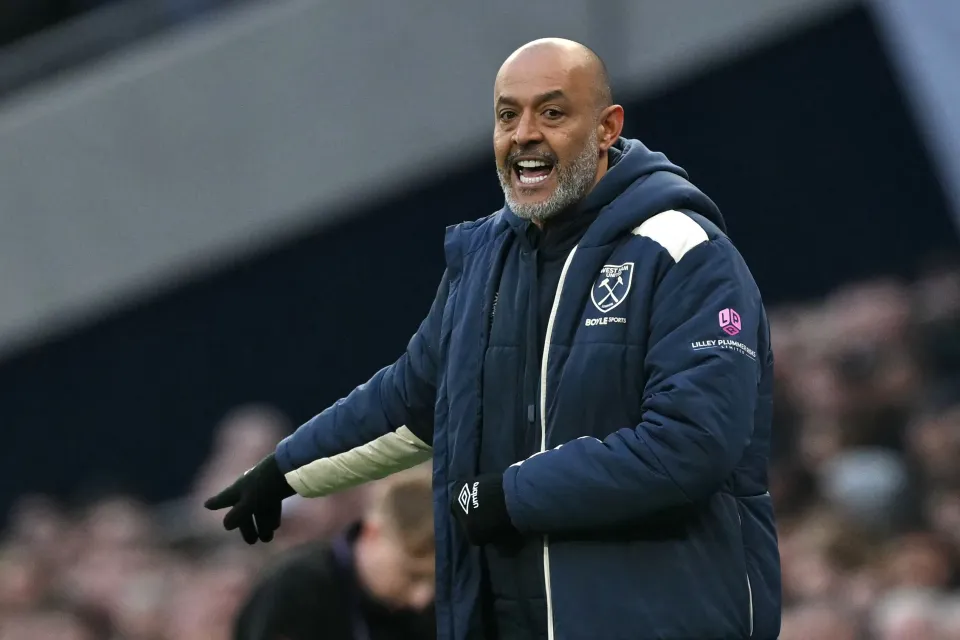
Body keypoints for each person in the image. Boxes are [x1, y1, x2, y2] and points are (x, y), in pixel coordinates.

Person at [205, 37, 782, 640]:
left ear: (608, 127)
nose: (525, 134)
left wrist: (506, 497)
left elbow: (690, 445)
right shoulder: (482, 264)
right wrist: (286, 470)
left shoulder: (684, 251)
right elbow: (412, 402)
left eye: (552, 112)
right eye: (509, 115)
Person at [232, 465, 436, 640]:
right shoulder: (296, 591)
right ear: (373, 533)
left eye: (433, 579)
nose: (422, 598)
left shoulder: (426, 613)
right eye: (412, 575)